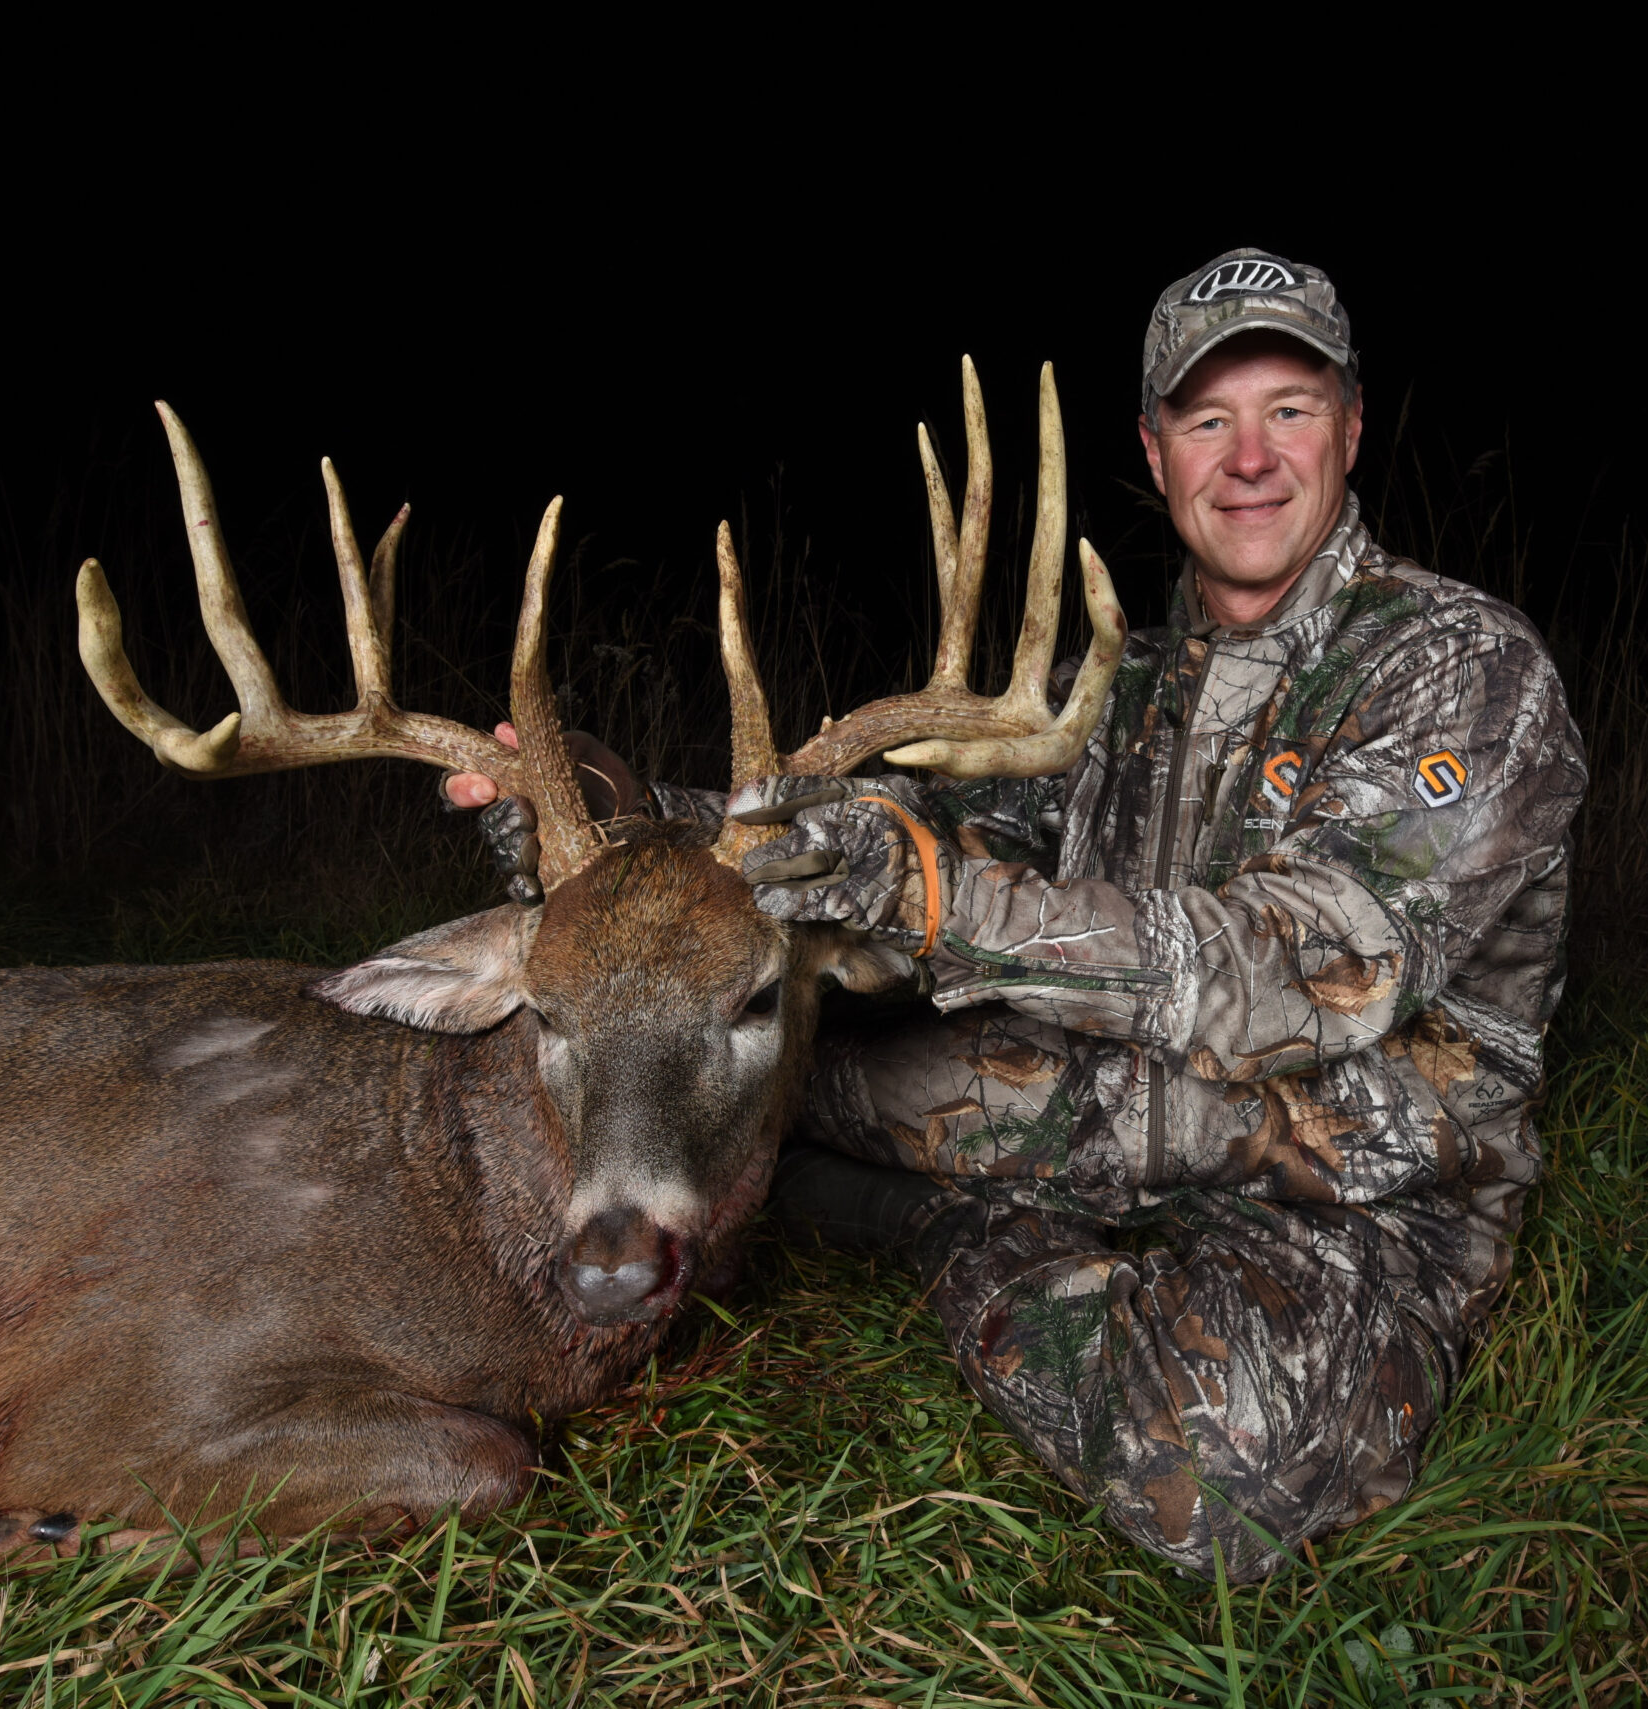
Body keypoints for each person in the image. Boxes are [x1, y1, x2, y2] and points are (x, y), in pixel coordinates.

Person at [451, 250, 1587, 1581]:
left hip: (1351, 1180)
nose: (1250, 458)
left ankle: (927, 1222)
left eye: (1289, 409)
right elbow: (930, 831)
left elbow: (1312, 968)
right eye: (1208, 420)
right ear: (1156, 451)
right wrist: (630, 810)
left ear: (1351, 427)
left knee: (1216, 1481)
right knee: (758, 1055)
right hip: (1109, 1105)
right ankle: (879, 1193)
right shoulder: (1117, 691)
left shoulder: (1460, 668)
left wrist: (931, 898)